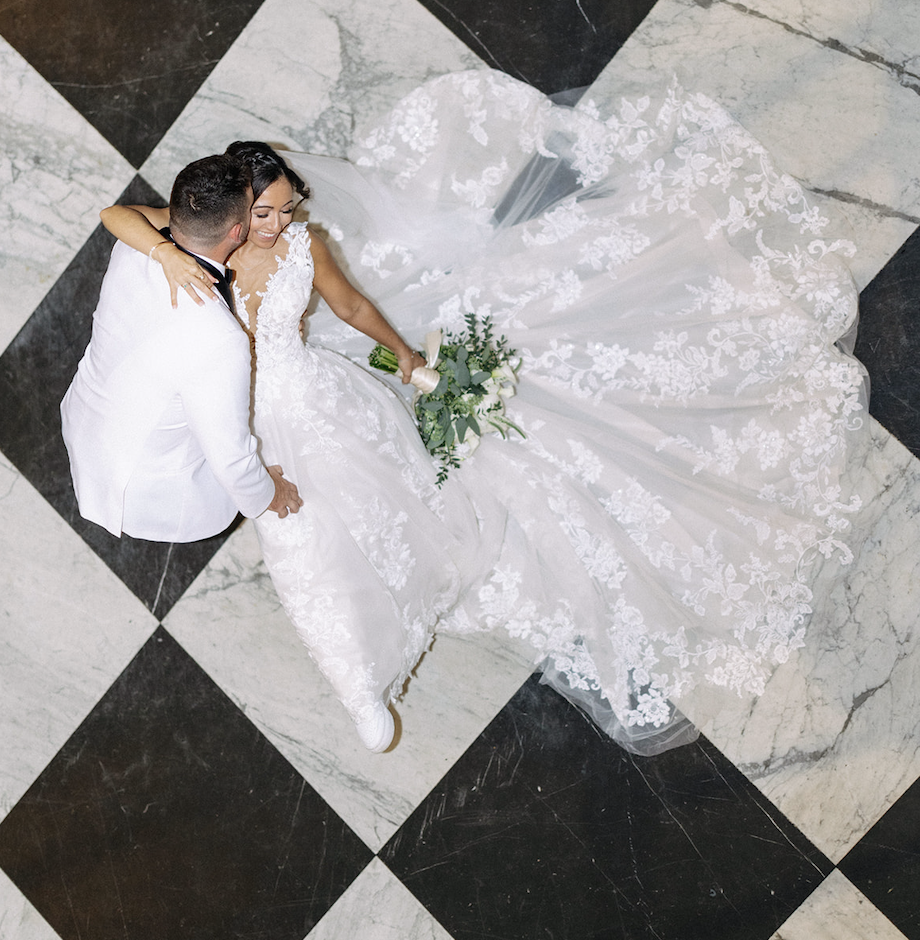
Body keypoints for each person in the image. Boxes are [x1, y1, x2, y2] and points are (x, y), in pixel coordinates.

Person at [100, 70, 873, 757]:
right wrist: (167, 254)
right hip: (246, 417)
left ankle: (425, 566)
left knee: (384, 483)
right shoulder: (203, 245)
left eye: (282, 207)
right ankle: (360, 683)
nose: (279, 220)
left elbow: (353, 303)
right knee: (303, 544)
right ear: (232, 217)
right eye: (265, 212)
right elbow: (118, 215)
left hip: (316, 391)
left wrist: (403, 356)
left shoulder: (300, 246)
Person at [62, 153, 302, 545]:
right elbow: (230, 459)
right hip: (146, 488)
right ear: (238, 232)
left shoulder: (136, 247)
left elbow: (119, 216)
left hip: (87, 417)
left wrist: (165, 251)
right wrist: (270, 494)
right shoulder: (220, 339)